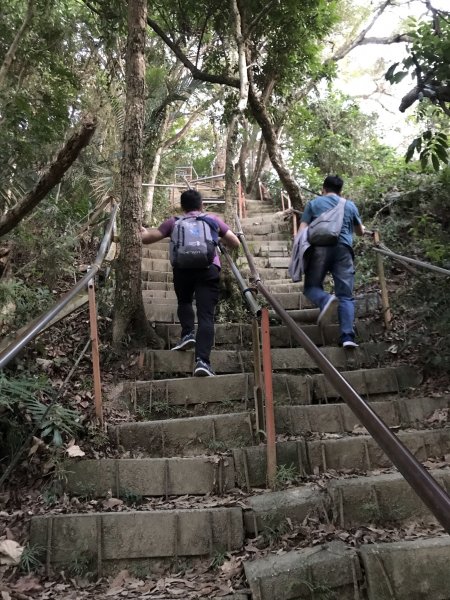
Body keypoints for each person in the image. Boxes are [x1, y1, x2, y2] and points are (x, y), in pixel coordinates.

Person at [141, 189, 240, 376]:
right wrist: (217, 240)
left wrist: (142, 231)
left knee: (184, 301)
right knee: (205, 316)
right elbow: (235, 242)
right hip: (208, 269)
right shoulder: (212, 220)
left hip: (183, 270)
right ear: (201, 204)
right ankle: (202, 361)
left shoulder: (174, 222)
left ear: (182, 206)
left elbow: (147, 238)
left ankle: (187, 333)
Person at [299, 175, 365, 348]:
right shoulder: (349, 205)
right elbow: (359, 232)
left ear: (324, 189)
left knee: (311, 287)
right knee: (345, 295)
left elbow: (301, 232)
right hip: (343, 250)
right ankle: (347, 337)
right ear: (340, 190)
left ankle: (324, 299)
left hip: (319, 249)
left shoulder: (313, 204)